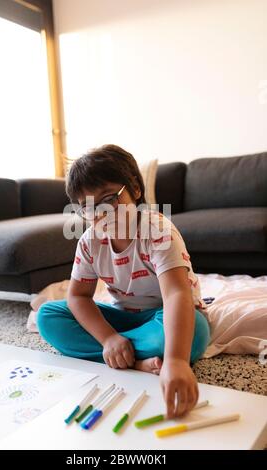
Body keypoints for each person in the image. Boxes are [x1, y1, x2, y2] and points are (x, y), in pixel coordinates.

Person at [37, 144, 211, 418]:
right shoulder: (89, 242)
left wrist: (176, 361)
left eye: (109, 199)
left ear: (135, 189)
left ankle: (140, 356)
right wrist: (108, 339)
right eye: (88, 207)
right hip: (124, 317)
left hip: (169, 315)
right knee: (47, 316)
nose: (100, 214)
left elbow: (177, 295)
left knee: (194, 335)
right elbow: (78, 297)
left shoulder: (157, 230)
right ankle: (135, 359)